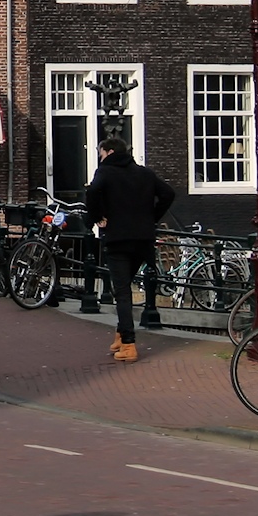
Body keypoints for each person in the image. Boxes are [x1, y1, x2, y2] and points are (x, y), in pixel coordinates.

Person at [85, 137, 176, 364]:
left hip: (118, 239)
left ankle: (128, 343)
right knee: (125, 286)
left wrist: (96, 218)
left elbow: (92, 193)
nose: (100, 157)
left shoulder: (105, 172)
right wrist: (151, 218)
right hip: (143, 240)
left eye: (101, 153)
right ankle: (120, 334)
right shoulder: (144, 173)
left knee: (122, 292)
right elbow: (168, 194)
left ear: (109, 151)